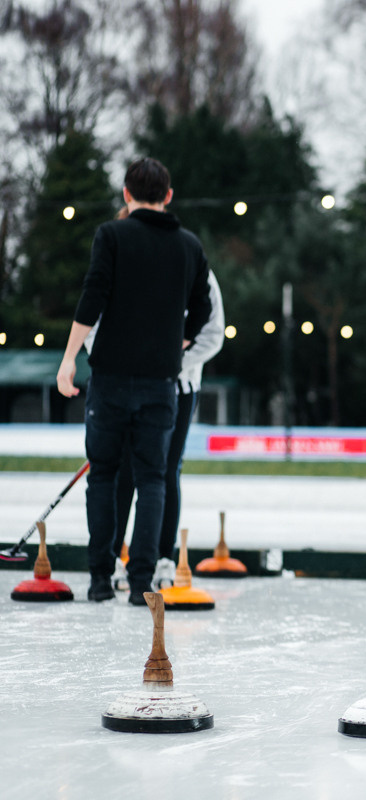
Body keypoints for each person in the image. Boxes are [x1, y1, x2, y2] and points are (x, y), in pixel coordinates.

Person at [56, 157, 212, 606]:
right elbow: (203, 310)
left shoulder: (111, 235)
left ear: (126, 194)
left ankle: (100, 577)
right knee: (153, 480)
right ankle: (141, 578)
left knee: (103, 476)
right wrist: (175, 343)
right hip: (161, 384)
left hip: (109, 380)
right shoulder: (189, 246)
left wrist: (69, 359)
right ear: (168, 196)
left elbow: (93, 296)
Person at [102, 270, 225, 591]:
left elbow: (213, 335)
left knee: (167, 470)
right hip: (130, 384)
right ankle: (114, 557)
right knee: (125, 469)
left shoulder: (197, 271)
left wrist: (170, 364)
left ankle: (163, 558)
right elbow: (97, 323)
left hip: (179, 388)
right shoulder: (125, 259)